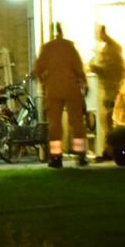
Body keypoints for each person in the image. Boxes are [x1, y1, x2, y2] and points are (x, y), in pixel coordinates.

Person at [32, 23, 88, 168]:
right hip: (71, 88)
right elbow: (78, 68)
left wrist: (43, 82)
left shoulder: (47, 48)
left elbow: (38, 69)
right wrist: (84, 82)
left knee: (54, 124)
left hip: (53, 89)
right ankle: (80, 154)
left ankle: (56, 157)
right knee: (76, 121)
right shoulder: (70, 47)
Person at [88, 25, 125, 155]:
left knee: (108, 118)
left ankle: (111, 147)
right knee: (107, 118)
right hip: (110, 88)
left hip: (111, 89)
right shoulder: (112, 48)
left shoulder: (112, 50)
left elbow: (108, 70)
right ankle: (110, 147)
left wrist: (94, 67)